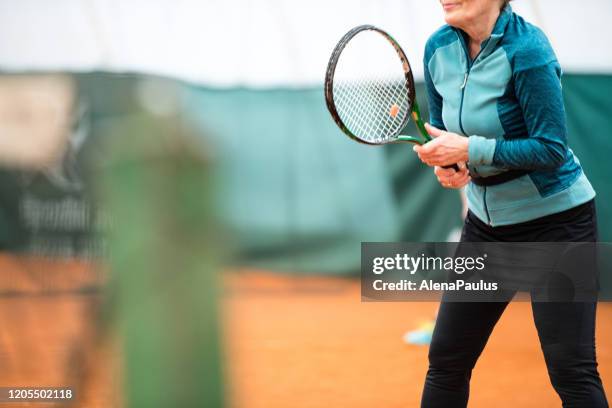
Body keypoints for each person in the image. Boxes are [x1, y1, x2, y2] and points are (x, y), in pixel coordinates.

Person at [413, 1, 608, 407]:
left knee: (571, 369)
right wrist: (452, 165)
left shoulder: (528, 50)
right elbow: (447, 136)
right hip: (487, 226)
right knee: (447, 357)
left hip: (556, 224)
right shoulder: (437, 49)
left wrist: (471, 148)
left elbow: (550, 147)